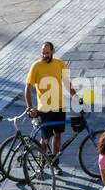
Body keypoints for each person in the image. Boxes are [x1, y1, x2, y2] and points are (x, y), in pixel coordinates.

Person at [23, 41, 75, 173]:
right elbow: (28, 88)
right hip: (44, 108)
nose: (44, 55)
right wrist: (29, 107)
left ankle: (54, 164)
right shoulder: (36, 66)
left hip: (59, 106)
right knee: (45, 138)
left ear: (52, 51)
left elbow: (66, 82)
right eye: (43, 53)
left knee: (57, 135)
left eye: (47, 52)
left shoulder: (59, 64)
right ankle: (41, 164)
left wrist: (75, 96)